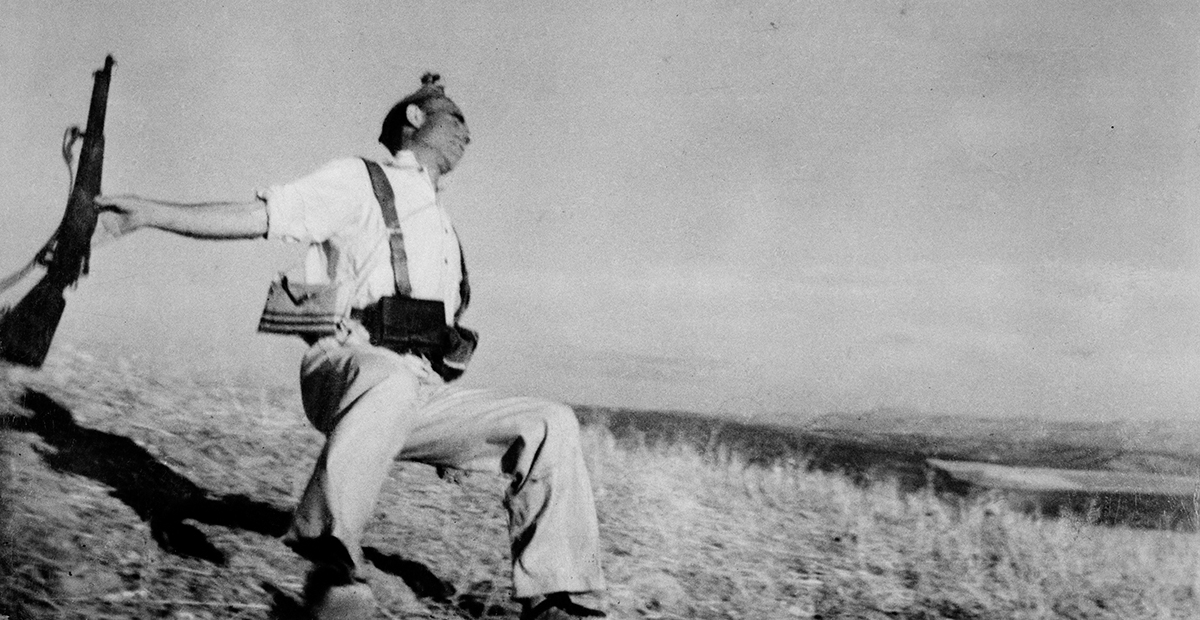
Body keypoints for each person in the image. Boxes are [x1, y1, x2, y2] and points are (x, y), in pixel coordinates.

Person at [95, 73, 606, 620]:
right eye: (457, 119)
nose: (468, 135)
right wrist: (150, 213)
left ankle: (558, 599)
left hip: (414, 390)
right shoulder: (359, 179)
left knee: (551, 421)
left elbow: (439, 340)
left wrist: (461, 438)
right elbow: (258, 217)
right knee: (388, 378)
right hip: (345, 365)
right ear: (415, 119)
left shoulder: (445, 227)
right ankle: (333, 560)